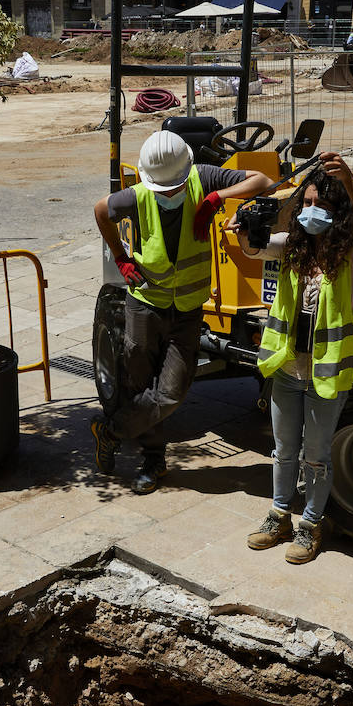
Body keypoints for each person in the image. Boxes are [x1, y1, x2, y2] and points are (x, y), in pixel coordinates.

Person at [91, 131, 272, 493]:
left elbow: (263, 181)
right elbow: (100, 210)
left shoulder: (202, 177)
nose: (171, 194)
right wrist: (122, 257)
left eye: (174, 187)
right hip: (144, 305)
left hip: (188, 310)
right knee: (141, 385)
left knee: (169, 394)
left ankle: (109, 430)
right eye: (164, 189)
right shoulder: (139, 195)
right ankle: (153, 460)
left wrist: (217, 197)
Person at [225, 152, 353, 564]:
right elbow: (255, 249)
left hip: (326, 376)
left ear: (338, 214)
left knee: (316, 455)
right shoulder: (292, 248)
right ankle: (278, 516)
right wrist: (243, 229)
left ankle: (311, 523)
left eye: (322, 207)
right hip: (288, 370)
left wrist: (349, 181)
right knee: (283, 450)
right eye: (307, 204)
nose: (312, 212)